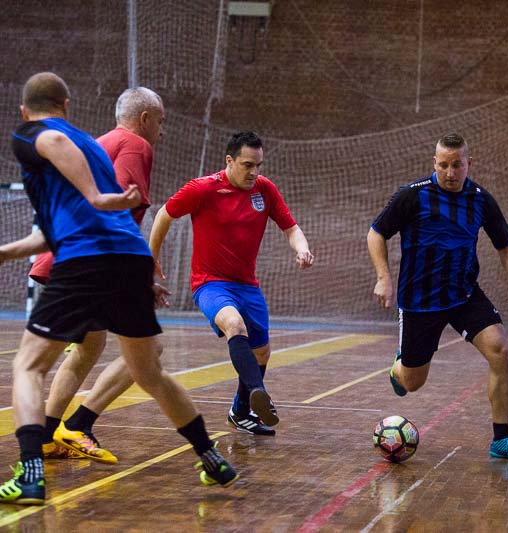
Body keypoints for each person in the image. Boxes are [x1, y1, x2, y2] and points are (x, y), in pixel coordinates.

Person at [0, 72, 237, 505]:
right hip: (128, 259)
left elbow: (56, 147)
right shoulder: (93, 148)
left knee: (29, 367)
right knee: (148, 372)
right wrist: (7, 252)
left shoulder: (33, 135)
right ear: (68, 105)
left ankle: (31, 472)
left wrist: (95, 195)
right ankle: (211, 456)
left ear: (24, 110)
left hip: (86, 261)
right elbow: (72, 225)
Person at [368, 133, 508, 461]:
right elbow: (377, 233)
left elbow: (506, 246)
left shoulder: (481, 200)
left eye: (457, 165)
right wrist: (383, 278)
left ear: (468, 164)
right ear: (434, 163)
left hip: (464, 294)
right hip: (420, 301)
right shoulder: (412, 195)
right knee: (412, 383)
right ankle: (398, 368)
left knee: (501, 351)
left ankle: (502, 439)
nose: (450, 172)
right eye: (443, 165)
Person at [32, 87, 166, 464]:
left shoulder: (99, 143)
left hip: (65, 255)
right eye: (160, 121)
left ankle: (48, 436)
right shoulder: (136, 145)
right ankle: (77, 425)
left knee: (88, 346)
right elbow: (114, 210)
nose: (162, 130)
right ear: (144, 119)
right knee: (149, 348)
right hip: (91, 260)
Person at [149, 131, 314, 436]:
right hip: (210, 284)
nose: (254, 172)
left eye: (258, 165)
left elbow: (291, 228)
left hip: (247, 285)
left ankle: (240, 411)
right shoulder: (203, 188)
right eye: (247, 165)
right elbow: (164, 215)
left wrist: (302, 248)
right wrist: (152, 259)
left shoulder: (265, 189)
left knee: (261, 352)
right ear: (229, 160)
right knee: (234, 326)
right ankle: (258, 393)